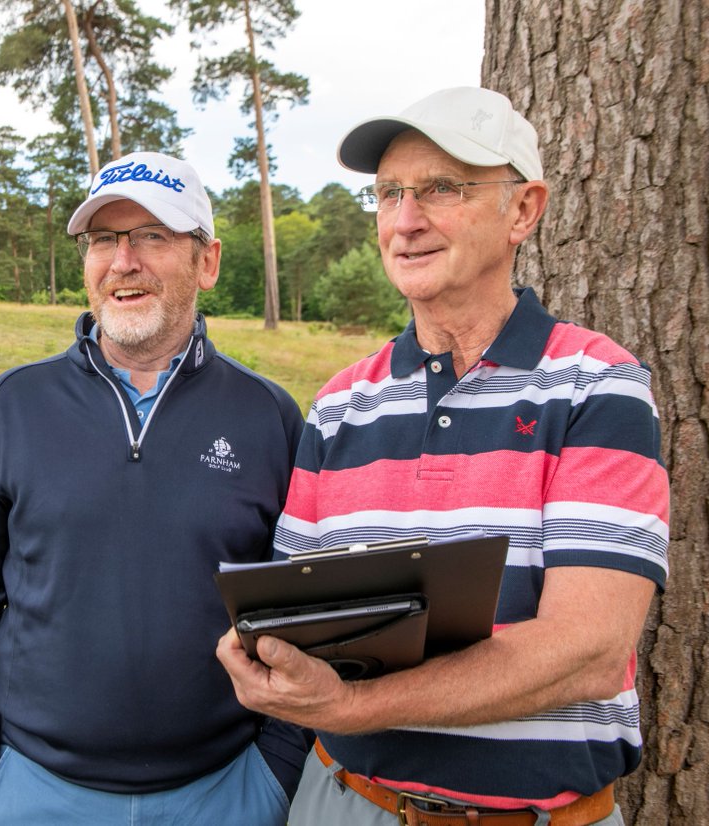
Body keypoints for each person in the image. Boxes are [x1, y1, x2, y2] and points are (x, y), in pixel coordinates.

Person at [216, 87, 669, 826]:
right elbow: (293, 615)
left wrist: (353, 703)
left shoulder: (599, 387)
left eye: (441, 189)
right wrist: (265, 657)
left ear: (523, 210)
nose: (405, 220)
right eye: (389, 193)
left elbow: (588, 650)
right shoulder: (339, 405)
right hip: (344, 804)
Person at [0, 150, 309, 825]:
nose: (123, 261)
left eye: (152, 236)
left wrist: (276, 772)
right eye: (104, 238)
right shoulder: (14, 405)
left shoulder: (268, 415)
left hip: (226, 790)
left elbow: (303, 608)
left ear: (208, 261)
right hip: (33, 791)